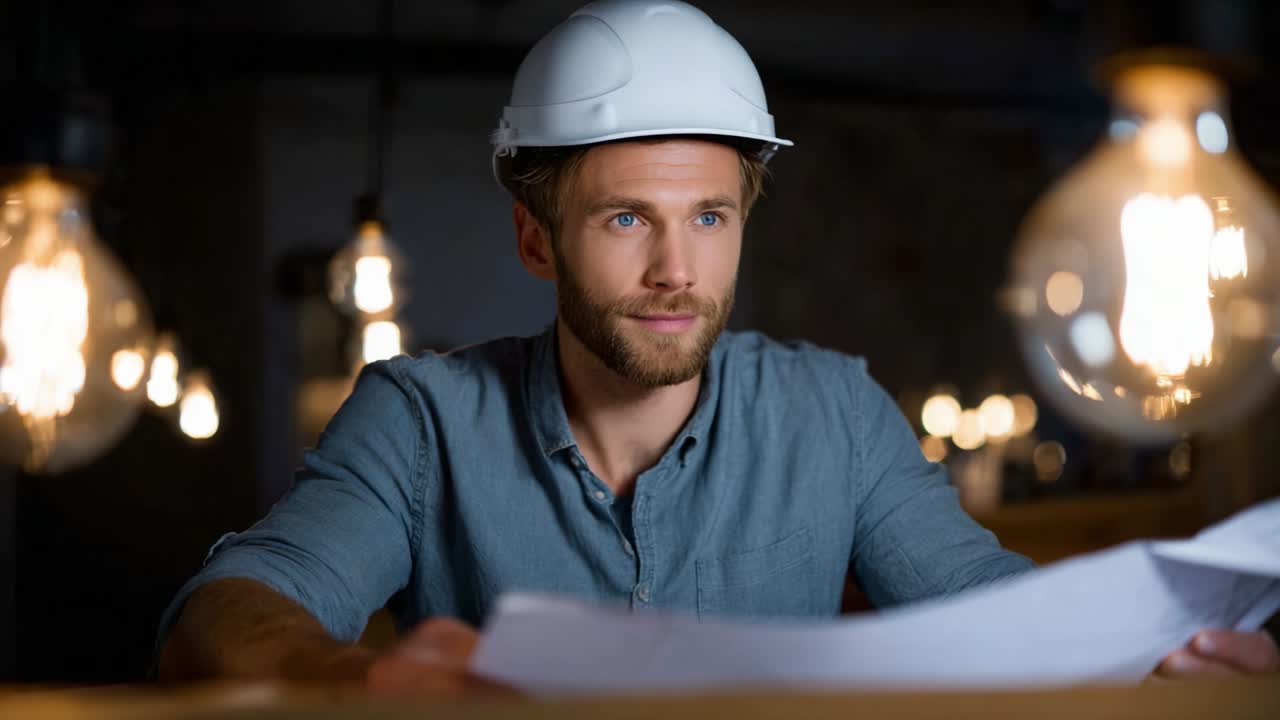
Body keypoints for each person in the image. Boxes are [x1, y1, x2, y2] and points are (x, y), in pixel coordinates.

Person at [157, 0, 1278, 691]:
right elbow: (231, 604)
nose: (674, 272)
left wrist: (1152, 649)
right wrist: (342, 678)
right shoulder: (418, 419)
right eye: (622, 218)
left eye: (708, 217)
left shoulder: (833, 412)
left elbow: (989, 608)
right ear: (534, 239)